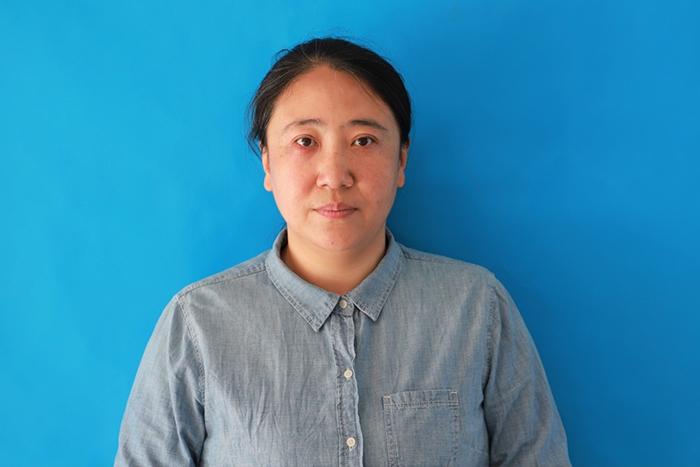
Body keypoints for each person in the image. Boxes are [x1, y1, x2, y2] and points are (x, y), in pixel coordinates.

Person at [115, 37, 571, 466]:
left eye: (364, 141)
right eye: (305, 142)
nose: (334, 176)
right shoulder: (197, 323)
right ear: (267, 161)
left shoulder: (477, 307)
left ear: (402, 159)